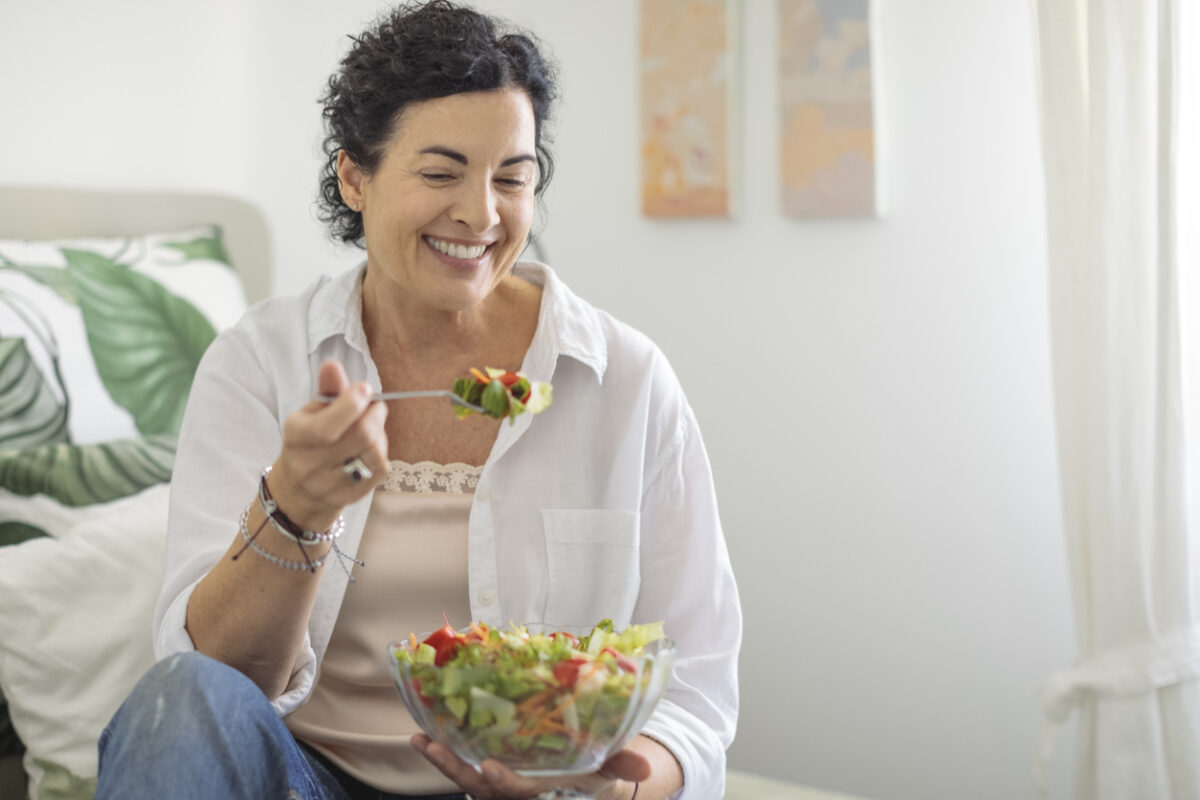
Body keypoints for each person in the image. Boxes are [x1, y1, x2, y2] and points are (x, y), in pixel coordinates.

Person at [94, 2, 740, 799]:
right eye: (440, 173)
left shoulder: (626, 382)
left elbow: (698, 686)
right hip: (305, 781)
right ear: (354, 176)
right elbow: (217, 684)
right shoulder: (259, 364)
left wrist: (623, 787)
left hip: (541, 788)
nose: (481, 214)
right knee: (176, 697)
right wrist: (294, 507)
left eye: (513, 177)